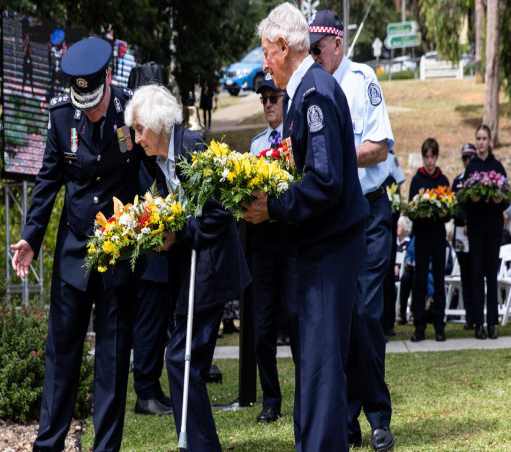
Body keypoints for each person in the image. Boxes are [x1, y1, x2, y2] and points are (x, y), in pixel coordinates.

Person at [10, 37, 149, 452]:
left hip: (118, 256)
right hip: (74, 254)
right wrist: (31, 237)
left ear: (108, 79)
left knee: (111, 361)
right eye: (82, 102)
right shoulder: (61, 117)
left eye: (95, 101)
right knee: (62, 358)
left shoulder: (131, 112)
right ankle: (48, 444)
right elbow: (49, 181)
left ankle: (105, 448)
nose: (88, 110)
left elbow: (148, 172)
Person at [243, 4, 369, 450]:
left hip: (329, 248)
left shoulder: (314, 93)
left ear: (283, 46)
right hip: (318, 248)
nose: (263, 63)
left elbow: (326, 182)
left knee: (319, 367)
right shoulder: (307, 92)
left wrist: (272, 208)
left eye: (265, 52)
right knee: (316, 366)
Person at [124, 83, 251, 451]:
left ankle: (200, 444)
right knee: (183, 359)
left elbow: (219, 213)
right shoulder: (161, 158)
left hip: (212, 269)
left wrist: (179, 235)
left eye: (139, 130)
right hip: (193, 272)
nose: (136, 138)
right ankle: (199, 443)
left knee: (180, 357)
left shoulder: (192, 147)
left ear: (159, 124)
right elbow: (172, 207)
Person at [308, 9, 395, 451]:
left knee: (363, 312)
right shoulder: (310, 88)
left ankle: (378, 414)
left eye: (318, 48)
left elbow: (379, 149)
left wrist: (337, 155)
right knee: (339, 321)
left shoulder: (362, 81)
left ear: (337, 44)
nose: (314, 55)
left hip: (372, 211)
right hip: (335, 218)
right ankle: (344, 421)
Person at [248, 73, 296, 423]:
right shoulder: (255, 146)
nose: (267, 104)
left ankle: (307, 395)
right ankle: (271, 399)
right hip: (263, 241)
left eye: (273, 97)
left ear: (285, 100)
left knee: (296, 321)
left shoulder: (297, 141)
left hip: (293, 239)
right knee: (262, 327)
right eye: (263, 98)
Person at [132, 166, 173, 416]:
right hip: (149, 258)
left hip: (160, 259)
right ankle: (145, 393)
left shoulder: (153, 163)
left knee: (158, 330)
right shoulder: (140, 162)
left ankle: (153, 387)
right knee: (148, 328)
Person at [464, 124, 510, 339]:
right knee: (476, 276)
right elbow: (463, 200)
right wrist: (472, 201)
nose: (481, 142)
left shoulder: (497, 167)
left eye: (484, 138)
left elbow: (505, 199)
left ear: (489, 141)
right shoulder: (471, 167)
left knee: (491, 276)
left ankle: (492, 323)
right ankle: (478, 323)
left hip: (492, 229)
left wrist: (498, 201)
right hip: (475, 228)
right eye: (478, 138)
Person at [408, 138, 450, 343]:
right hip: (422, 238)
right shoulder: (417, 180)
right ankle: (420, 326)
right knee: (420, 281)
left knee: (439, 282)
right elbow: (410, 209)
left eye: (433, 157)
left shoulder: (443, 180)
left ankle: (440, 327)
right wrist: (419, 214)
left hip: (438, 237)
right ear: (423, 157)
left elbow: (450, 211)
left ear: (437, 157)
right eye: (426, 157)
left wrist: (443, 213)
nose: (430, 161)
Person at [451, 143, 478, 329]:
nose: (468, 161)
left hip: (476, 232)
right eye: (465, 158)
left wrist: (471, 221)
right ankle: (470, 317)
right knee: (465, 277)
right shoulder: (458, 181)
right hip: (461, 233)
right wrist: (464, 220)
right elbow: (454, 207)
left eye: (471, 158)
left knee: (477, 275)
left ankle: (478, 316)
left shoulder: (479, 180)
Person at [382, 150, 406, 336]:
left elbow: (397, 189)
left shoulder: (391, 157)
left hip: (388, 226)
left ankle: (388, 322)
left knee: (388, 274)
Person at [394, 216, 412, 324]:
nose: (397, 228)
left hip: (403, 272)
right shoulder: (394, 242)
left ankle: (402, 311)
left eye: (399, 226)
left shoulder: (408, 243)